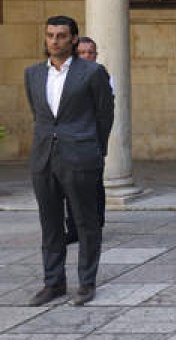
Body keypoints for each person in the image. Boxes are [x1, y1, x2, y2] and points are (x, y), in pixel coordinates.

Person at [25, 16, 114, 307]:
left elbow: (104, 115)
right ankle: (54, 283)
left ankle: (86, 283)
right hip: (44, 159)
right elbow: (39, 115)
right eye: (50, 35)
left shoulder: (92, 72)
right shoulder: (33, 74)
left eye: (61, 36)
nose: (54, 41)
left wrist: (94, 150)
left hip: (81, 156)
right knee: (50, 224)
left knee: (86, 223)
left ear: (74, 39)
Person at [63, 36, 109, 246]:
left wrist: (100, 143)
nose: (87, 56)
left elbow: (105, 113)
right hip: (68, 142)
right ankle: (72, 228)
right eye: (82, 53)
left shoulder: (102, 75)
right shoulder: (66, 77)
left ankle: (96, 225)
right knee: (69, 186)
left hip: (91, 141)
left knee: (94, 186)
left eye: (91, 52)